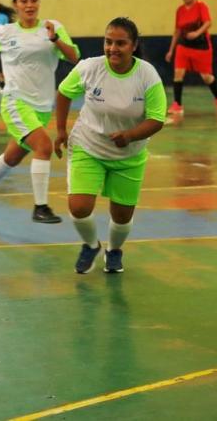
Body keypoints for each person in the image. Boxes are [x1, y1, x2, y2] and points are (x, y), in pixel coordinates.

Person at [55, 17, 166, 274]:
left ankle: (114, 251)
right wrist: (60, 130)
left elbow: (157, 119)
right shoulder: (89, 68)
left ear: (134, 45)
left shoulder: (147, 75)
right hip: (88, 146)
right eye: (108, 42)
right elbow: (63, 93)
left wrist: (130, 136)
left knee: (122, 215)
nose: (112, 48)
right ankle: (90, 244)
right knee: (79, 207)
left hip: (129, 154)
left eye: (120, 43)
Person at [0, 0, 80, 224]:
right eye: (24, 1)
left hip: (42, 106)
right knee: (44, 146)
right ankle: (40, 206)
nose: (29, 5)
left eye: (34, 0)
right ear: (15, 5)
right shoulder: (4, 32)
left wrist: (55, 39)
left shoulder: (53, 27)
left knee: (13, 156)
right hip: (15, 102)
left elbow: (74, 57)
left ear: (39, 2)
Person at [165, 0, 217, 114]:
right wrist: (171, 50)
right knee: (178, 73)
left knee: (206, 77)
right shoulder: (180, 10)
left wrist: (197, 33)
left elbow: (208, 22)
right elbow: (177, 31)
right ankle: (177, 104)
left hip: (201, 46)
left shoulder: (201, 6)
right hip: (184, 45)